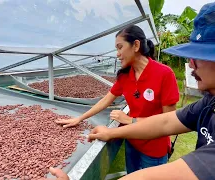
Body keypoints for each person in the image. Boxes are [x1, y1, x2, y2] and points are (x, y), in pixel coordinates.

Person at [46, 0, 215, 179]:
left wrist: (128, 120)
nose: (190, 63)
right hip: (135, 142)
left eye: (202, 53)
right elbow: (167, 121)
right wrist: (110, 132)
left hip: (154, 149)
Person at [55, 25, 180, 173]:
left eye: (120, 47)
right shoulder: (125, 76)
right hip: (132, 140)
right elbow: (105, 100)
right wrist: (80, 118)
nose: (117, 54)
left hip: (154, 149)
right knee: (131, 174)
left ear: (136, 45)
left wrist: (130, 120)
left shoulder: (164, 74)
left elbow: (169, 122)